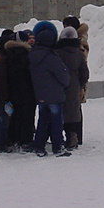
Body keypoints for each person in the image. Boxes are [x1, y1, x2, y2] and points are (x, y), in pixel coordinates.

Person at [29, 21, 71, 157]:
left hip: (40, 93)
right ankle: (58, 147)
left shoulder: (32, 55)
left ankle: (39, 146)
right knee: (56, 121)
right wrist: (65, 83)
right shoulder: (51, 57)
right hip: (54, 94)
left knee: (42, 120)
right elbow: (62, 75)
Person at [1, 30, 37, 151]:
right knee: (27, 117)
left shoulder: (7, 54)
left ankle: (12, 139)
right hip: (28, 91)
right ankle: (26, 141)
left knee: (14, 117)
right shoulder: (28, 55)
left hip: (12, 91)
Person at [56, 26, 89, 149]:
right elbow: (85, 73)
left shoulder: (57, 53)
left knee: (58, 112)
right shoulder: (79, 54)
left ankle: (57, 137)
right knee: (73, 112)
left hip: (59, 86)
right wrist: (79, 84)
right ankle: (72, 137)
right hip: (74, 87)